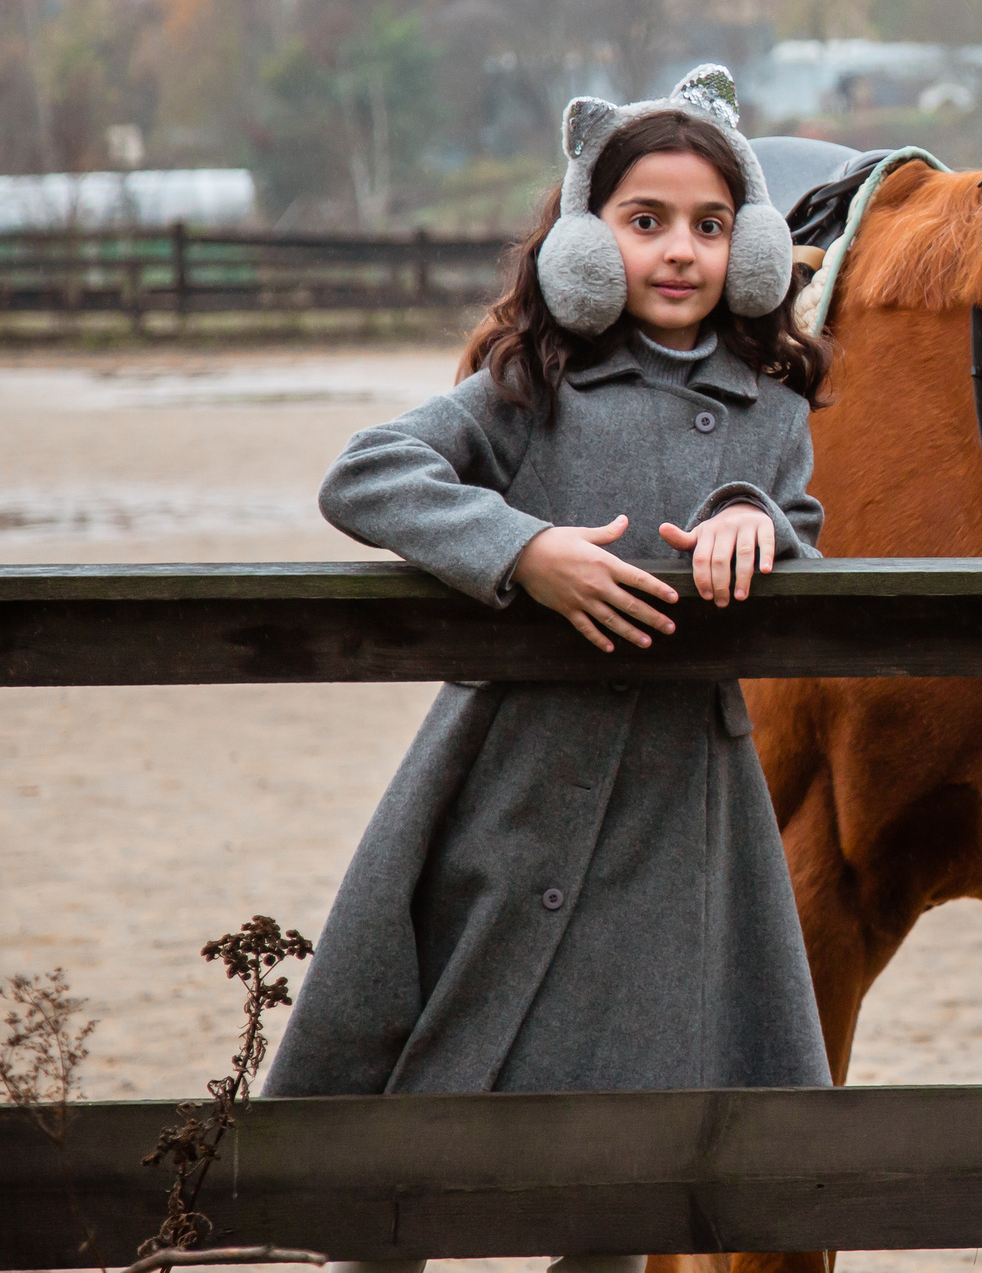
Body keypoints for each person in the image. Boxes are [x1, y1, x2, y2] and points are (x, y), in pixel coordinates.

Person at [264, 65, 836, 1273]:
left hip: (679, 806)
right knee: (434, 1060)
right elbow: (368, 473)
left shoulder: (772, 410)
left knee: (635, 1128)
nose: (678, 250)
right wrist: (521, 550)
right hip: (510, 777)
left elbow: (798, 525)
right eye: (645, 220)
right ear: (583, 238)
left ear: (749, 250)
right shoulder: (530, 387)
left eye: (711, 225)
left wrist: (754, 520)